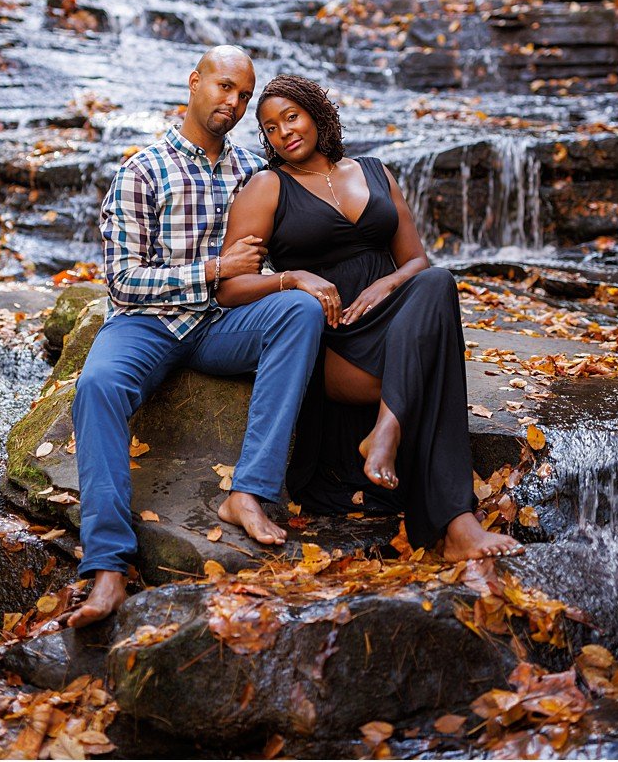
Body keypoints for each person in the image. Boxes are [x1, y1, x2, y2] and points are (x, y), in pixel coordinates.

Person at [66, 46, 325, 628]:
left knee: (300, 313)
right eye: (224, 87)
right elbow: (124, 281)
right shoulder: (143, 171)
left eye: (243, 95)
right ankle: (107, 566)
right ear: (194, 82)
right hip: (146, 324)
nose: (232, 103)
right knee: (99, 385)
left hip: (221, 325)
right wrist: (214, 269)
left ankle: (249, 492)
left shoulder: (251, 174)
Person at [216, 74, 522, 560]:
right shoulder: (267, 186)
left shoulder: (376, 171)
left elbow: (417, 260)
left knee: (437, 281)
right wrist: (294, 276)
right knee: (435, 338)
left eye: (291, 117)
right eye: (269, 128)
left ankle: (396, 443)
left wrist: (387, 283)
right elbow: (231, 287)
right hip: (335, 339)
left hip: (397, 324)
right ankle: (446, 511)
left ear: (316, 113)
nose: (283, 133)